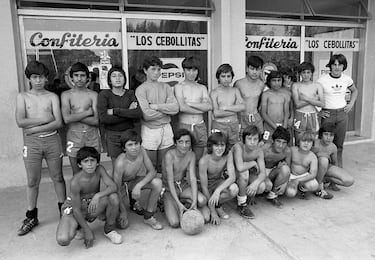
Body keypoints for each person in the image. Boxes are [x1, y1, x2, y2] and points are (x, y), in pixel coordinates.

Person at [15, 61, 66, 236]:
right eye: (35, 77)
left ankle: (63, 211)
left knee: (58, 177)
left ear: (46, 78)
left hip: (52, 140)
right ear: (29, 78)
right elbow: (20, 121)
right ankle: (31, 216)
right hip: (32, 144)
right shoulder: (22, 97)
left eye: (41, 77)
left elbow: (58, 122)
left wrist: (35, 127)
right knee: (32, 180)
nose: (38, 81)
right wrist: (45, 119)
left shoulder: (52, 96)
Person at [56, 147, 122, 248]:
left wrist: (97, 195)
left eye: (92, 160)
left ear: (97, 162)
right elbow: (76, 210)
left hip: (90, 204)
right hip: (74, 210)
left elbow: (113, 186)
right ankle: (79, 227)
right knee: (63, 239)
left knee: (113, 197)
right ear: (79, 164)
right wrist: (88, 231)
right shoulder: (75, 182)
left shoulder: (99, 169)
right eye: (85, 161)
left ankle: (109, 229)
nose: (90, 164)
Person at [112, 130, 164, 230]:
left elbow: (152, 171)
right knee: (123, 225)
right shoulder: (120, 163)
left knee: (157, 182)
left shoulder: (142, 151)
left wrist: (138, 186)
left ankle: (148, 216)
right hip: (120, 187)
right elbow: (116, 189)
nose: (134, 147)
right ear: (124, 148)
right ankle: (126, 206)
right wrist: (123, 211)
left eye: (136, 144)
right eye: (130, 145)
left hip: (133, 181)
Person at [135, 56, 179, 172]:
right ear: (145, 70)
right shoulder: (141, 89)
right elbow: (147, 115)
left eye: (159, 69)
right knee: (151, 166)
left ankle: (164, 188)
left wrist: (157, 106)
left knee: (166, 164)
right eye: (153, 69)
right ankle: (154, 188)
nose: (156, 72)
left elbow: (175, 108)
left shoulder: (166, 87)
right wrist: (167, 112)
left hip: (166, 129)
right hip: (150, 130)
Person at [163, 129, 210, 227]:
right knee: (175, 223)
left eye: (187, 142)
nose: (184, 145)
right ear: (175, 143)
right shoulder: (169, 155)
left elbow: (192, 178)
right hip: (169, 189)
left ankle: (188, 203)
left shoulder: (191, 155)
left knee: (203, 204)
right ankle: (177, 204)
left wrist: (194, 202)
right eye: (180, 142)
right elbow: (170, 181)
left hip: (183, 185)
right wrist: (178, 204)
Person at [317, 54, 358, 168]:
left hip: (342, 114)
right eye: (334, 64)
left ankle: (338, 171)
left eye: (340, 64)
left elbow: (354, 91)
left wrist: (351, 104)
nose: (337, 67)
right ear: (330, 66)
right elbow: (314, 96)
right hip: (327, 114)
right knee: (325, 144)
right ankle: (324, 172)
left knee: (339, 145)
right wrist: (318, 111)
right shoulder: (322, 80)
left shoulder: (347, 79)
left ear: (344, 66)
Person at [97, 66, 142, 164]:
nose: (117, 78)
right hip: (113, 136)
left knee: (132, 163)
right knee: (117, 165)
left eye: (120, 76)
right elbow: (104, 118)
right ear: (109, 80)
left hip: (129, 133)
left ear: (125, 79)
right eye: (114, 76)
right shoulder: (104, 95)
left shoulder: (130, 93)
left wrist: (115, 111)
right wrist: (128, 112)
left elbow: (138, 113)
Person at [61, 62, 100, 174]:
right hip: (74, 135)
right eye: (76, 75)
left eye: (82, 75)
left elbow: (96, 121)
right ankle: (78, 192)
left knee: (94, 171)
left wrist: (75, 115)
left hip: (92, 135)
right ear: (71, 77)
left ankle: (95, 192)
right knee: (76, 172)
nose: (79, 79)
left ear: (87, 77)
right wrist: (87, 112)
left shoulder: (93, 95)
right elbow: (66, 119)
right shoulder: (66, 95)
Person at [174, 57, 212, 159]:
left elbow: (209, 106)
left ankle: (196, 174)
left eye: (194, 70)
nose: (191, 73)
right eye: (188, 70)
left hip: (199, 125)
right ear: (184, 70)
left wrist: (190, 103)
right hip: (184, 125)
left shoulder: (202, 88)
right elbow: (182, 108)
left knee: (199, 157)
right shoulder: (179, 87)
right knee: (182, 156)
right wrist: (200, 109)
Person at [198, 132, 238, 225]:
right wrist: (212, 212)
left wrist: (217, 191)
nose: (220, 148)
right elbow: (204, 187)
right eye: (216, 145)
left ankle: (218, 205)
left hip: (218, 182)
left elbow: (232, 177)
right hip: (206, 187)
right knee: (206, 218)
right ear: (211, 146)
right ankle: (212, 207)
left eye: (222, 145)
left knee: (234, 189)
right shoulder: (204, 161)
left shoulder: (228, 154)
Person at [232, 126, 269, 219]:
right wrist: (253, 162)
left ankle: (247, 194)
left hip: (246, 175)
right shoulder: (238, 147)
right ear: (244, 139)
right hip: (230, 175)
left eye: (255, 139)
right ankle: (242, 204)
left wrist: (255, 184)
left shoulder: (259, 151)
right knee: (244, 173)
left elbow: (263, 172)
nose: (252, 142)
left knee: (261, 186)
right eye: (249, 139)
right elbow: (240, 167)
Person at [312, 123, 354, 199]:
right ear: (321, 135)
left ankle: (324, 179)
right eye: (326, 134)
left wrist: (333, 183)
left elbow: (334, 163)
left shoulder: (333, 147)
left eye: (331, 135)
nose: (328, 138)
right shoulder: (315, 142)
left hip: (326, 168)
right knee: (324, 159)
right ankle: (318, 188)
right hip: (314, 168)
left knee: (349, 181)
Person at [210, 64, 245, 147]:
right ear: (218, 77)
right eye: (223, 76)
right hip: (219, 125)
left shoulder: (235, 90)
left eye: (228, 76)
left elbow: (243, 107)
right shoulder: (214, 93)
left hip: (233, 124)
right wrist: (234, 111)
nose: (226, 79)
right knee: (218, 148)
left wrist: (226, 108)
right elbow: (216, 113)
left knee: (234, 148)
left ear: (232, 77)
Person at [292, 62, 324, 144]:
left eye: (308, 72)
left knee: (313, 141)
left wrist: (306, 98)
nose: (306, 75)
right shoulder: (296, 85)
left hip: (313, 115)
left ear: (312, 73)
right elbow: (297, 104)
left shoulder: (317, 85)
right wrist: (314, 99)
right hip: (300, 115)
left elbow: (322, 103)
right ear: (300, 73)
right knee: (298, 141)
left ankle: (312, 156)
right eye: (303, 72)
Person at [234, 55, 265, 135]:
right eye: (252, 69)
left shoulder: (262, 85)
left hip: (256, 117)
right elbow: (234, 103)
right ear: (247, 69)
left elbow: (262, 103)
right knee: (242, 143)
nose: (255, 72)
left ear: (261, 70)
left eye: (257, 69)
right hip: (242, 117)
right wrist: (238, 121)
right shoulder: (239, 84)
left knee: (258, 143)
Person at [262, 126, 291, 207]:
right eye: (278, 141)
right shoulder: (265, 149)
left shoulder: (287, 151)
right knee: (267, 185)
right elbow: (255, 166)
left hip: (273, 172)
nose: (281, 145)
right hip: (261, 171)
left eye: (284, 142)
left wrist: (285, 183)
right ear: (272, 141)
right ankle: (254, 194)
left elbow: (288, 169)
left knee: (285, 169)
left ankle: (272, 195)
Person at [285, 131, 319, 199]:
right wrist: (289, 179)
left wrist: (298, 180)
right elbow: (286, 164)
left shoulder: (313, 157)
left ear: (312, 144)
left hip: (303, 176)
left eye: (309, 142)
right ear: (298, 142)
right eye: (303, 141)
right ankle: (291, 186)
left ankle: (300, 187)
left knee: (314, 185)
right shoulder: (292, 150)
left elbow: (313, 174)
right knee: (290, 193)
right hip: (291, 175)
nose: (306, 143)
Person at [261, 70, 290, 143]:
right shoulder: (266, 94)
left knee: (281, 146)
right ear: (269, 81)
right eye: (274, 80)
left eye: (279, 80)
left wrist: (284, 128)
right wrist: (275, 127)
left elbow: (286, 113)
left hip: (282, 125)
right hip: (269, 125)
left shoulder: (285, 94)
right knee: (267, 146)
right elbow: (263, 113)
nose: (276, 83)